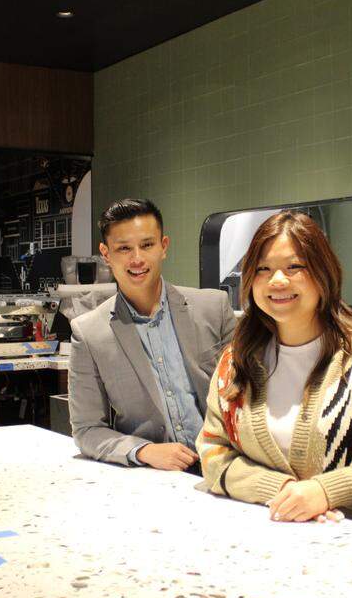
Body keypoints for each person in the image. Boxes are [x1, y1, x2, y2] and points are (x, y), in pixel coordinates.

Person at [196, 211, 352, 531]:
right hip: (262, 535)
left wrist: (326, 491)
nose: (277, 280)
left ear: (324, 273)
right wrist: (278, 491)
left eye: (294, 267)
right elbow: (213, 452)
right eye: (263, 269)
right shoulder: (235, 361)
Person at [69, 198, 237, 472]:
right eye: (124, 248)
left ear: (164, 247)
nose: (137, 259)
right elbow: (87, 429)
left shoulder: (214, 308)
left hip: (228, 468)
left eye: (147, 245)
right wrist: (143, 451)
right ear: (106, 254)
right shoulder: (88, 332)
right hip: (156, 476)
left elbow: (249, 397)